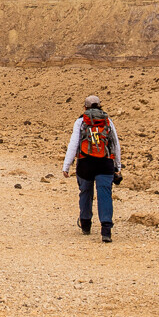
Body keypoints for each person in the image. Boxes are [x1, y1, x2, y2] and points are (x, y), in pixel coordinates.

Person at [62, 95, 122, 242]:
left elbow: (74, 144)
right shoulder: (107, 120)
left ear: (85, 108)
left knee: (85, 192)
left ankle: (86, 224)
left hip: (85, 163)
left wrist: (66, 165)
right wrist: (118, 166)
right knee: (105, 194)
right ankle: (106, 230)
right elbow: (115, 144)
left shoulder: (80, 121)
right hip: (105, 163)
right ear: (100, 106)